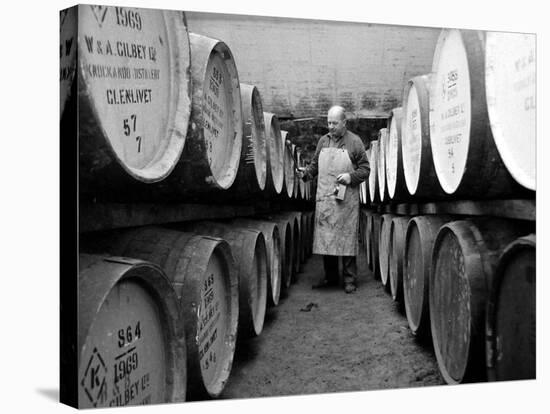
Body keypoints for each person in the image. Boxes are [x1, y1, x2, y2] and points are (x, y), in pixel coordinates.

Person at [298, 105, 370, 294]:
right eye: (328, 122)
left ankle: (349, 280)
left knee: (346, 237)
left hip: (346, 199)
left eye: (334, 123)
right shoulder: (323, 141)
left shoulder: (355, 142)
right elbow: (315, 164)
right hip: (326, 198)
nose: (330, 126)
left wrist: (350, 177)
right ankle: (330, 278)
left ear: (344, 123)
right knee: (327, 239)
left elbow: (365, 169)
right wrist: (306, 174)